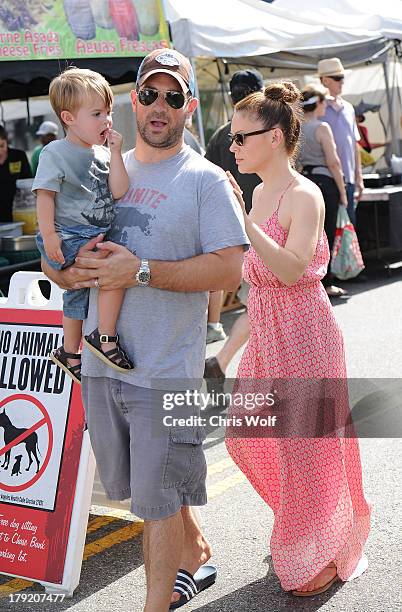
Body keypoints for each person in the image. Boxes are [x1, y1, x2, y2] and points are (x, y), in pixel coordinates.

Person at [41, 48, 248, 612]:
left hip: (165, 370)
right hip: (103, 368)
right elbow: (54, 258)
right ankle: (197, 553)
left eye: (174, 96)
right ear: (134, 100)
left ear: (187, 108)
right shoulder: (99, 165)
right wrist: (66, 269)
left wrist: (142, 271)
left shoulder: (205, 180)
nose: (160, 105)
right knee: (144, 493)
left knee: (155, 505)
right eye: (150, 94)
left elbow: (231, 268)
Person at [224, 81, 371, 597]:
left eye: (242, 138)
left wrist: (243, 223)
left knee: (307, 451)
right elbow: (258, 294)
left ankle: (314, 548)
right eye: (233, 138)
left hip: (307, 336)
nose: (234, 147)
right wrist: (223, 354)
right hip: (269, 336)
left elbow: (289, 271)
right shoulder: (260, 194)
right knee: (249, 437)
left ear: (276, 136)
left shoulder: (303, 194)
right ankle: (307, 529)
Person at [33, 68, 132, 385]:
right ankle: (105, 339)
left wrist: (115, 152)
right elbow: (45, 196)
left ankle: (69, 351)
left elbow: (118, 190)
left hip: (93, 234)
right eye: (97, 114)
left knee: (75, 296)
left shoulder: (104, 153)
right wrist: (49, 236)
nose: (106, 120)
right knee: (114, 273)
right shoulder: (55, 152)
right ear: (69, 117)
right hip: (68, 236)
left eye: (108, 112)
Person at [204, 70, 263, 355]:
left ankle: (220, 338)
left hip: (233, 226)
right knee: (263, 297)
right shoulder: (267, 132)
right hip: (264, 226)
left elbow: (207, 180)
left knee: (255, 296)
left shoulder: (219, 136)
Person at [298, 84, 348, 298]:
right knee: (326, 234)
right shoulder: (321, 128)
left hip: (304, 182)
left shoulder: (297, 129)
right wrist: (343, 192)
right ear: (317, 103)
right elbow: (334, 162)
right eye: (323, 102)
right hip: (325, 182)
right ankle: (326, 283)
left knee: (310, 235)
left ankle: (311, 280)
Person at [318, 58, 364, 226]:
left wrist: (359, 177)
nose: (342, 82)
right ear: (324, 80)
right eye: (337, 78)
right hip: (325, 180)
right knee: (328, 231)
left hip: (348, 180)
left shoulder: (349, 108)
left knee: (348, 230)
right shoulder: (316, 109)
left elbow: (354, 145)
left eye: (342, 77)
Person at [0, 125, 32, 223]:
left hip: (20, 212)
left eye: (1, 146)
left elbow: (28, 183)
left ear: (7, 141)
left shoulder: (18, 156)